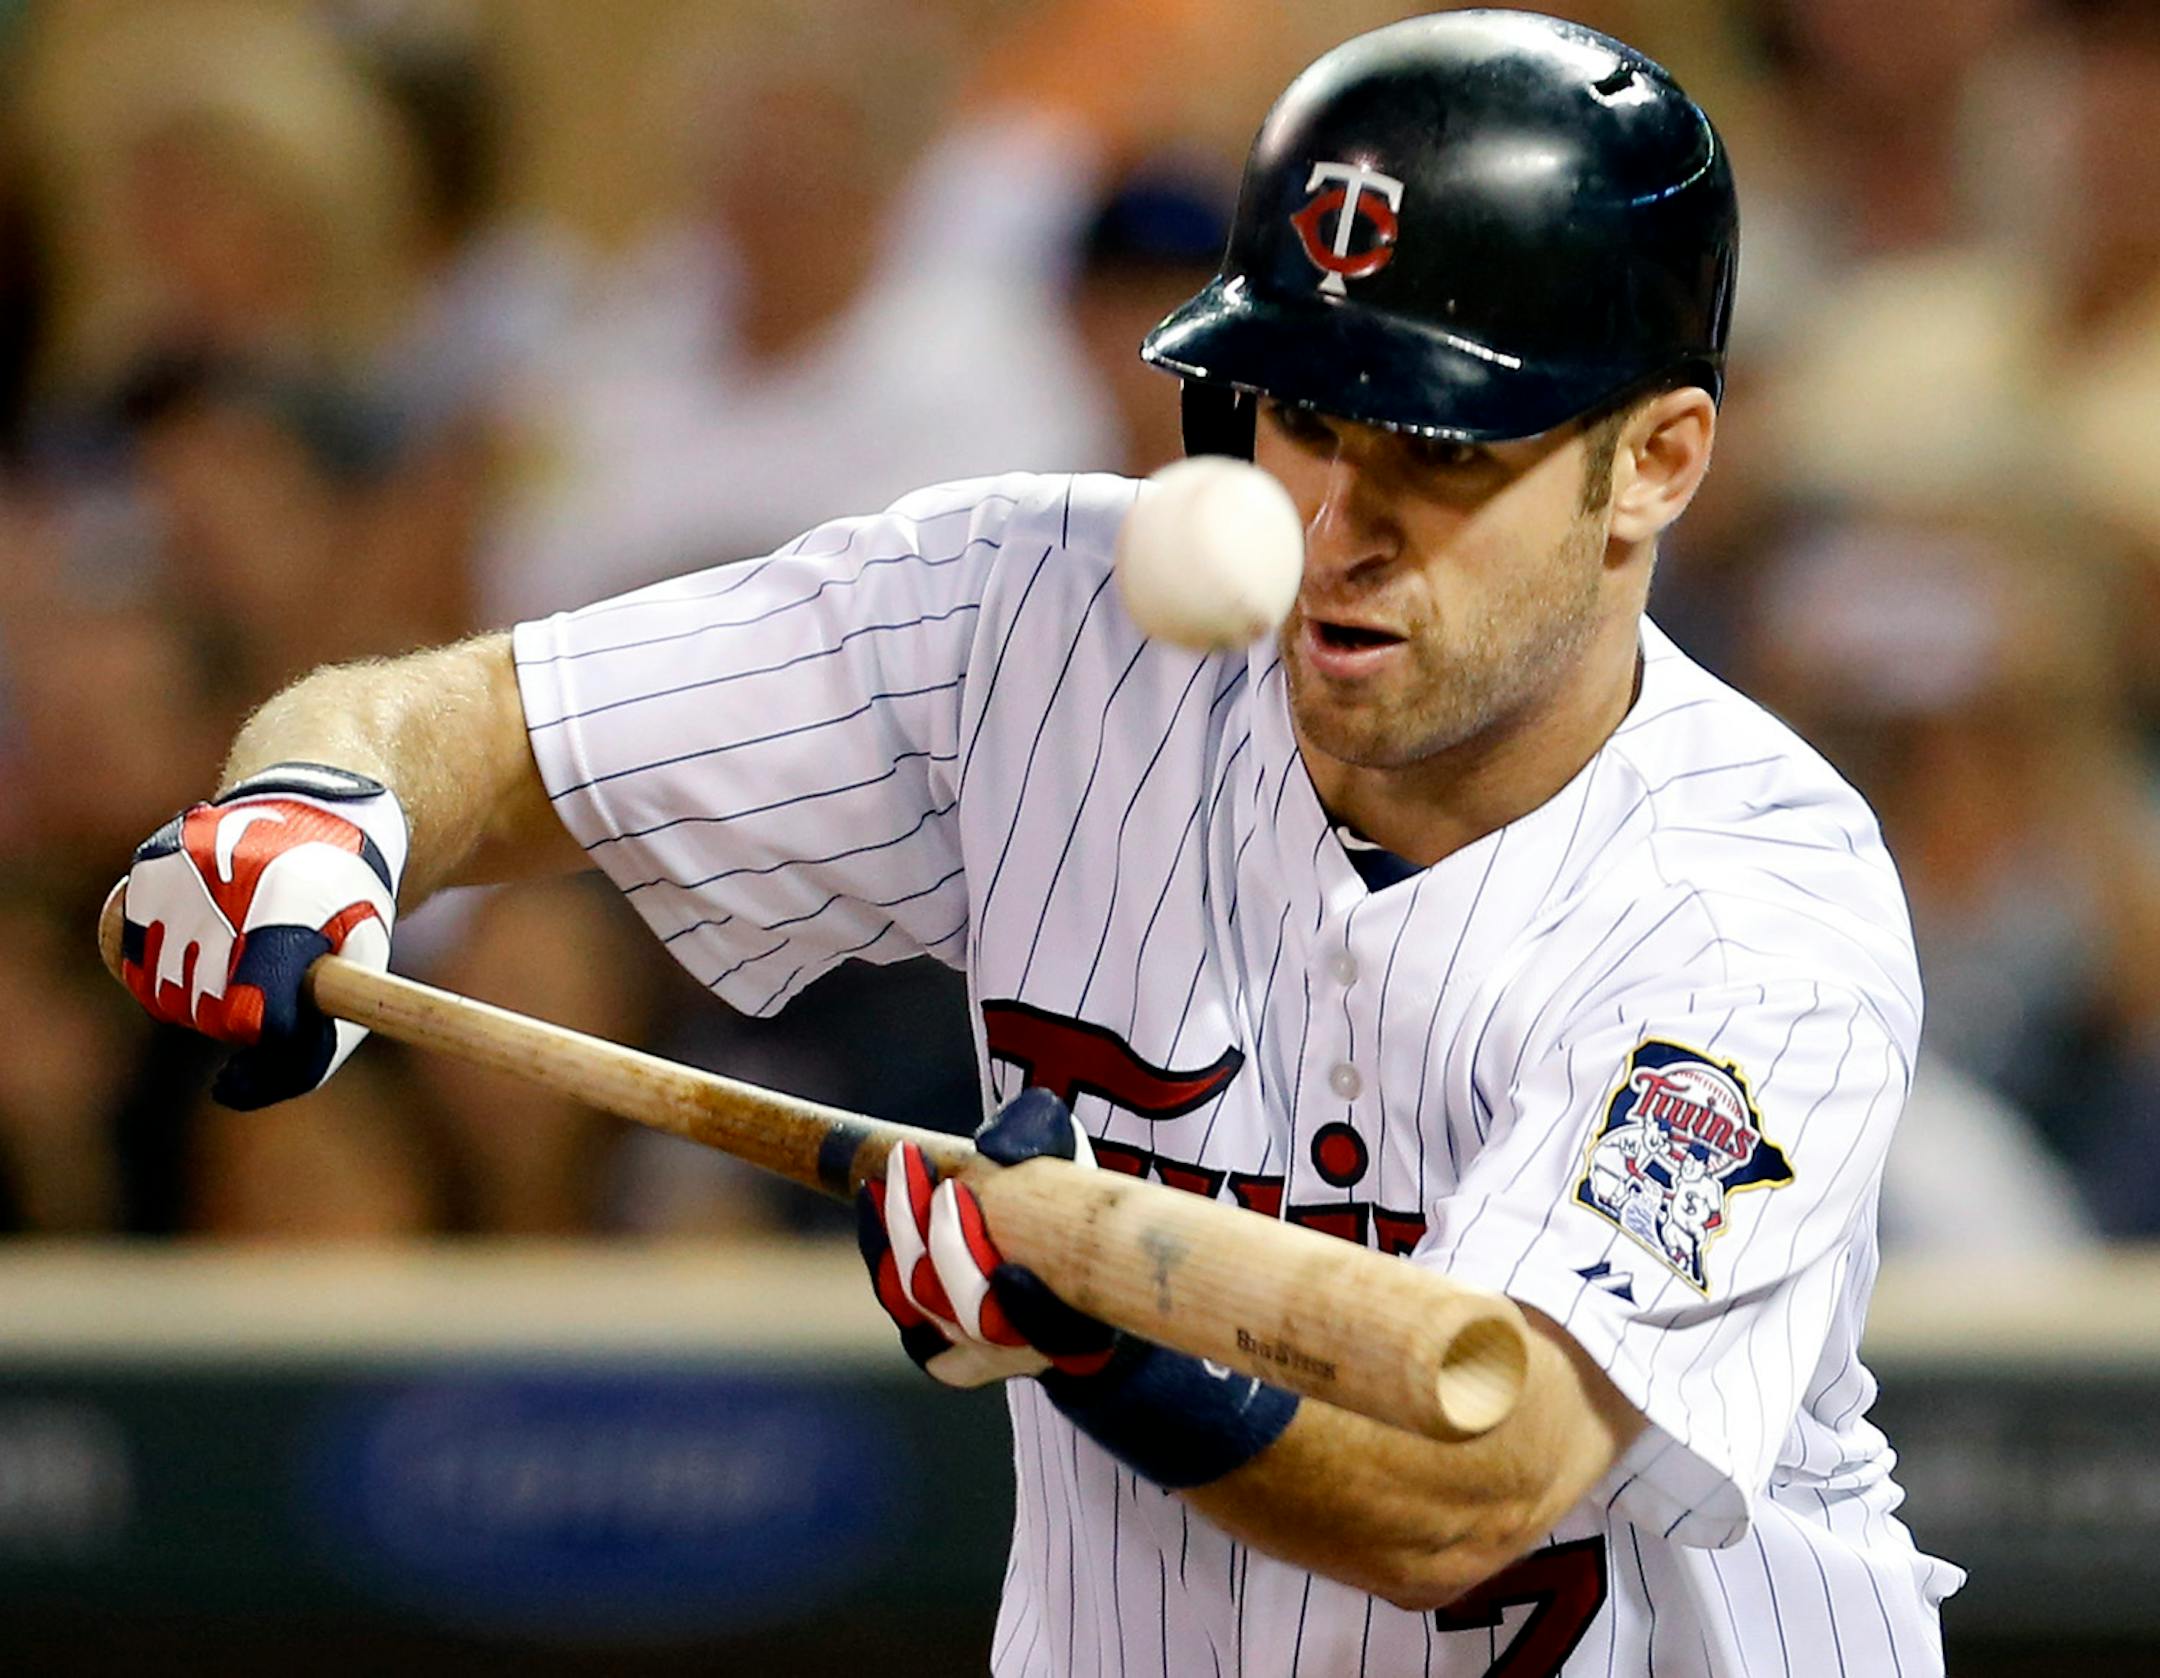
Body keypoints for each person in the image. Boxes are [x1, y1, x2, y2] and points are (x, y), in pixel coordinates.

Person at [110, 13, 1961, 1674]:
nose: (1335, 520)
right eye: (1300, 418)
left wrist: (1113, 1335)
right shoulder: (1028, 614)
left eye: (1443, 448)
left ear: (1656, 461)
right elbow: (486, 730)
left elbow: (1482, 1481)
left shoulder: (1754, 898)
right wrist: (315, 815)